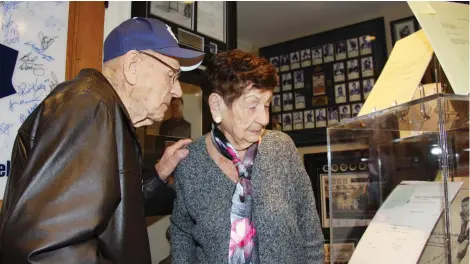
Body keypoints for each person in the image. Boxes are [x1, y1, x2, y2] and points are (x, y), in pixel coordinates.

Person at [0, 17, 204, 263]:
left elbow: (110, 214)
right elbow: (48, 249)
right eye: (172, 75)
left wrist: (159, 174)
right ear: (132, 66)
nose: (177, 90)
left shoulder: (106, 112)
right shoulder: (90, 108)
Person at [170, 50, 324, 264]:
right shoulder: (190, 162)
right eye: (252, 106)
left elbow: (310, 228)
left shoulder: (281, 148)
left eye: (267, 105)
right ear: (216, 106)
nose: (264, 118)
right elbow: (182, 232)